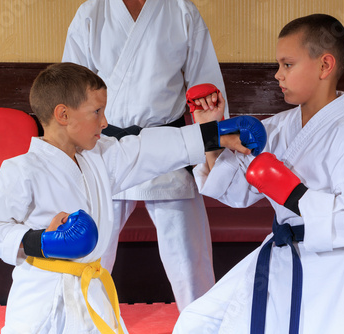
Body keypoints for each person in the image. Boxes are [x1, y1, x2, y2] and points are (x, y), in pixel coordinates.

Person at [174, 14, 344, 334]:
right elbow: (236, 192)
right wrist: (210, 130)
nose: (278, 75)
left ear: (324, 65)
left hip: (342, 266)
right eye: (278, 65)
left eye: (287, 64)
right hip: (282, 254)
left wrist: (292, 193)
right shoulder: (277, 128)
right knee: (197, 323)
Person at [0, 62, 264, 333]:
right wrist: (39, 241)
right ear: (63, 115)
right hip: (42, 296)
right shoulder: (20, 170)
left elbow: (150, 148)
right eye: (96, 112)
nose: (105, 121)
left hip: (92, 288)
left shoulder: (101, 157)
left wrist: (214, 134)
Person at [61, 0, 228, 311]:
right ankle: (80, 325)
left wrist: (213, 149)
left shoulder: (181, 11)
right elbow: (69, 90)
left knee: (191, 261)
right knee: (87, 254)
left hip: (168, 145)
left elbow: (207, 87)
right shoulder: (91, 13)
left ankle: (204, 324)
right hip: (106, 148)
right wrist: (70, 153)